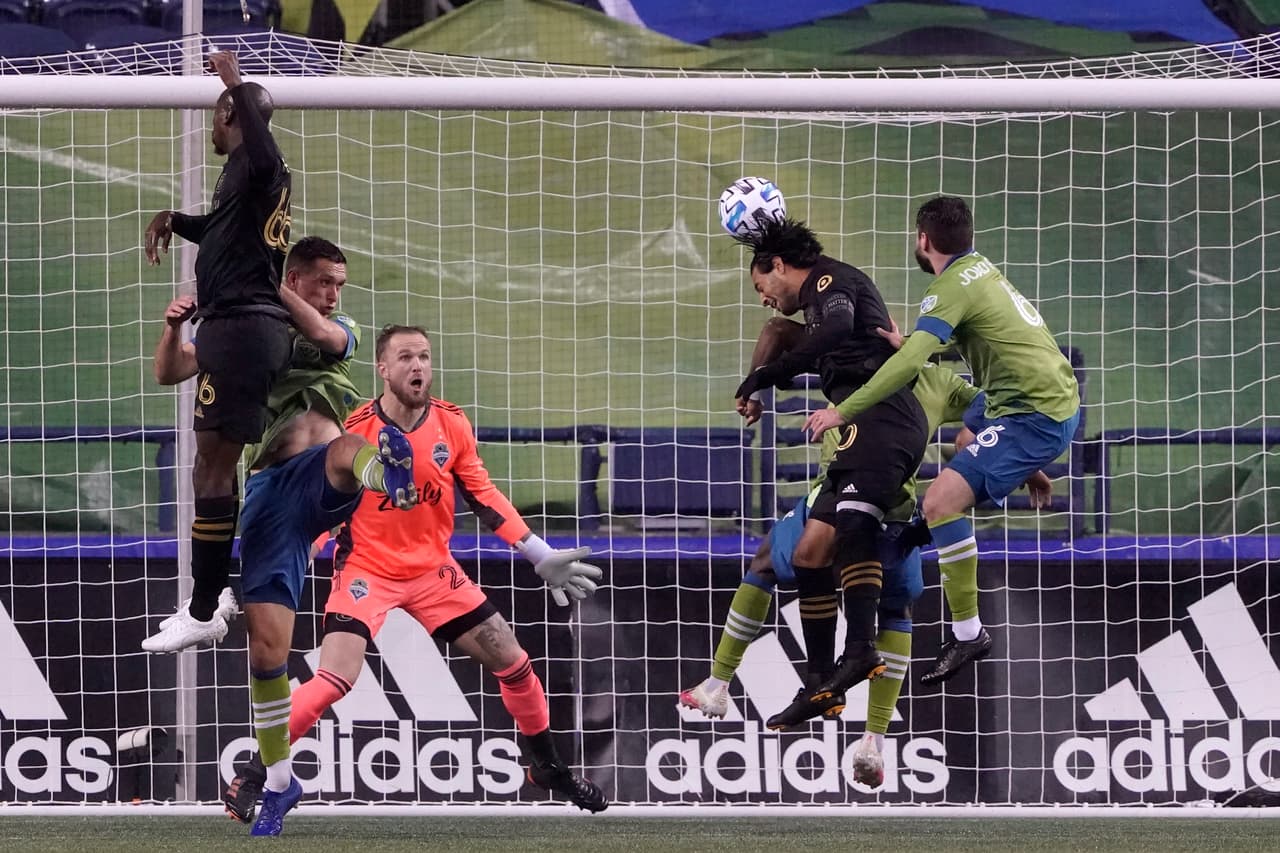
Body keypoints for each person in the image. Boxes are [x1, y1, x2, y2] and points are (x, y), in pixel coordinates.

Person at [222, 324, 608, 822]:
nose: (418, 366)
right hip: (366, 570)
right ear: (383, 368)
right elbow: (318, 510)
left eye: (424, 356)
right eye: (405, 357)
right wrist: (286, 563)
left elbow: (483, 495)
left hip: (433, 572)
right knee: (333, 679)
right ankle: (254, 775)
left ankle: (548, 766)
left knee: (514, 661)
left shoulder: (451, 424)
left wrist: (535, 551)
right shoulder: (353, 428)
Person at [684, 337, 1051, 785]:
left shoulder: (847, 360)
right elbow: (998, 423)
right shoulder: (936, 380)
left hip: (834, 503)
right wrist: (1027, 467)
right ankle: (872, 744)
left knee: (764, 564)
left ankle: (719, 685)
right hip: (894, 513)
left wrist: (754, 388)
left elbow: (779, 327)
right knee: (896, 609)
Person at [153, 237, 418, 836]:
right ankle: (277, 780)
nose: (335, 294)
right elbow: (170, 371)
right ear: (297, 278)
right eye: (325, 282)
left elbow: (329, 339)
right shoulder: (247, 335)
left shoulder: (335, 327)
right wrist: (173, 329)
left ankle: (387, 474)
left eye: (339, 284)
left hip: (323, 476)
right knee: (267, 653)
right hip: (269, 500)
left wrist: (257, 284)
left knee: (347, 448)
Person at [803, 196, 1080, 686]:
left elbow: (911, 368)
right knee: (966, 436)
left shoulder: (947, 288)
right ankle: (934, 525)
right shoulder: (979, 270)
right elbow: (973, 332)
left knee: (939, 502)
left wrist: (840, 410)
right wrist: (910, 339)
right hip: (1028, 401)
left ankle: (969, 632)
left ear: (923, 239)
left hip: (1031, 415)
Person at [730, 219, 932, 720]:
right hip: (858, 429)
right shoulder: (812, 309)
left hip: (885, 420)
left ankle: (861, 649)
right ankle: (820, 683)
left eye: (761, 286)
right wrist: (752, 385)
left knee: (855, 526)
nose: (763, 298)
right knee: (809, 554)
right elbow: (781, 331)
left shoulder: (830, 282)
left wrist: (768, 375)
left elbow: (837, 328)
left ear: (778, 266)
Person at [142, 50, 297, 652]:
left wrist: (232, 79)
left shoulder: (261, 163)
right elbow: (223, 231)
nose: (211, 127)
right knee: (211, 465)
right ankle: (208, 598)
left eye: (217, 115)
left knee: (212, 467)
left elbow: (264, 149)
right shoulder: (243, 178)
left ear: (229, 113)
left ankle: (205, 607)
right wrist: (176, 220)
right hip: (234, 329)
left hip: (241, 328)